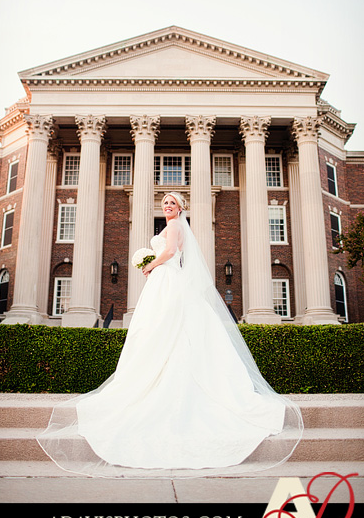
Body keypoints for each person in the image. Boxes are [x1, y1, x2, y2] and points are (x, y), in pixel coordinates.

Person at [37, 192, 303, 478]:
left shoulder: (175, 227)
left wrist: (150, 264)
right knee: (160, 330)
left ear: (180, 208)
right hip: (163, 280)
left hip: (166, 278)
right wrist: (151, 265)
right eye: (164, 203)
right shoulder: (170, 226)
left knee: (166, 328)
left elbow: (170, 253)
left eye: (172, 204)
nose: (167, 207)